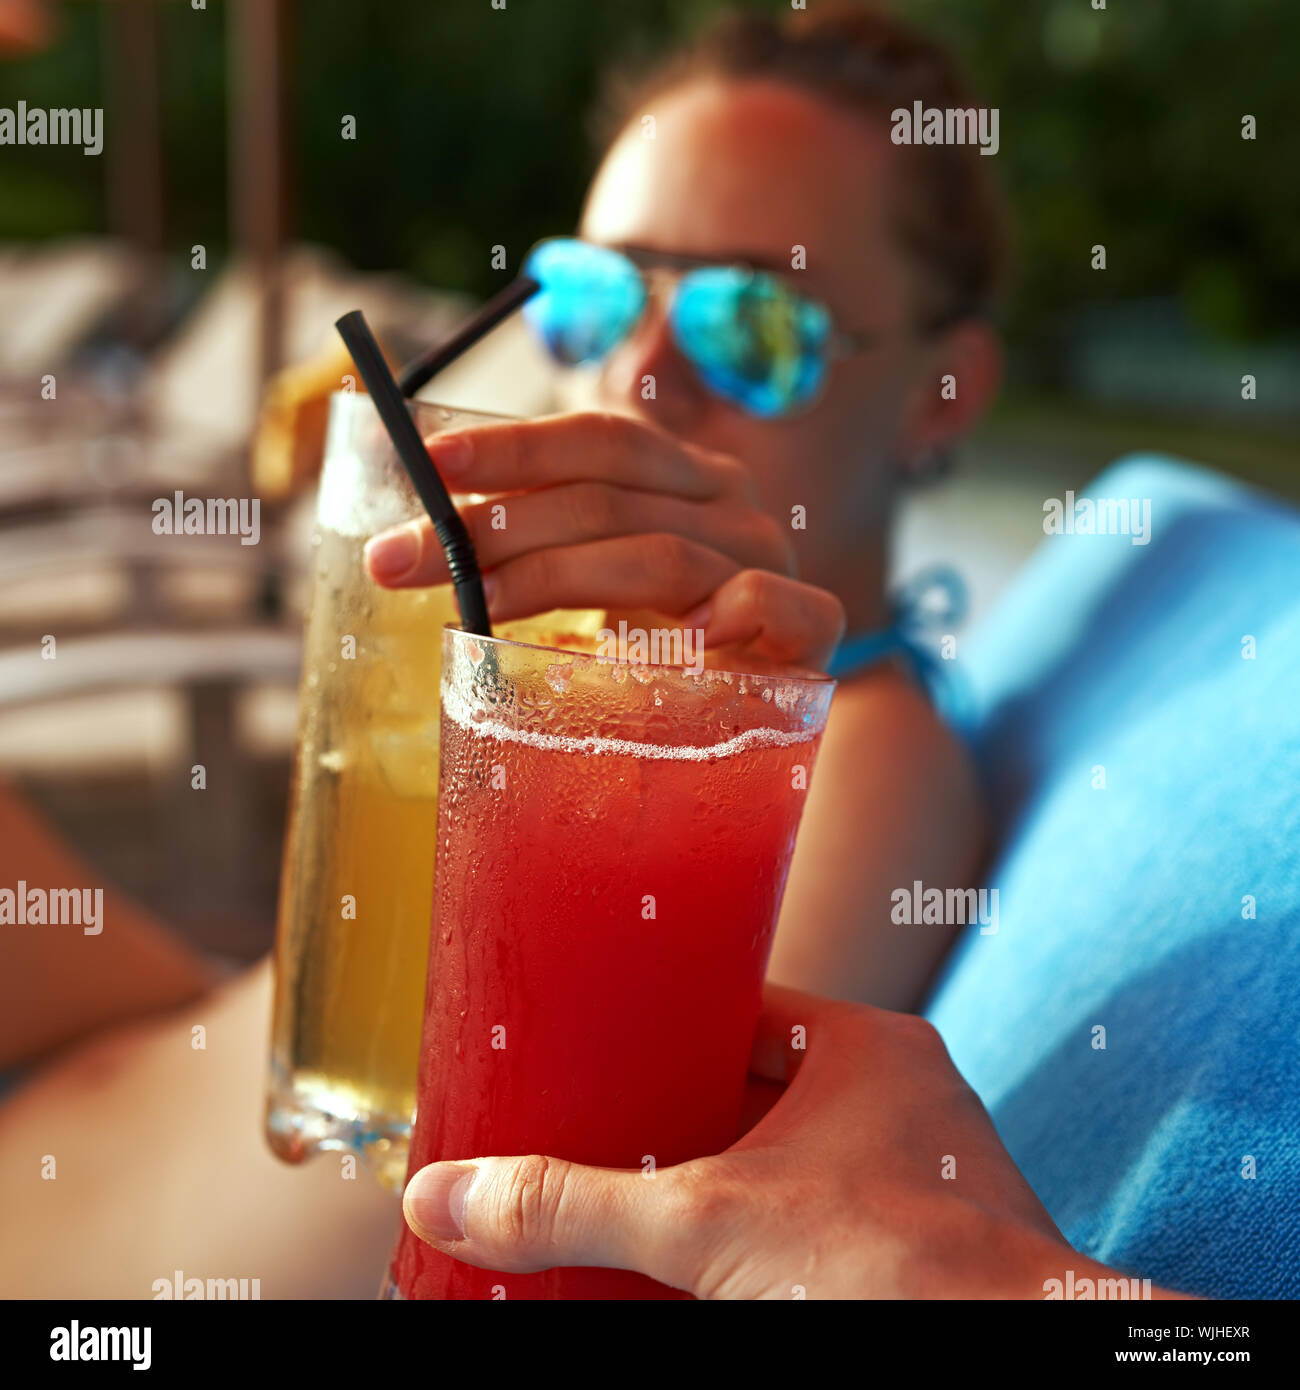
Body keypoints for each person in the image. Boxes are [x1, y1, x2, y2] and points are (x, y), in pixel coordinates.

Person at [365, 2, 1005, 1011]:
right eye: (597, 296)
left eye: (751, 325)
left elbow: (636, 1152)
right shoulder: (558, 664)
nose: (643, 371)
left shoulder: (858, 757)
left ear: (942, 394)